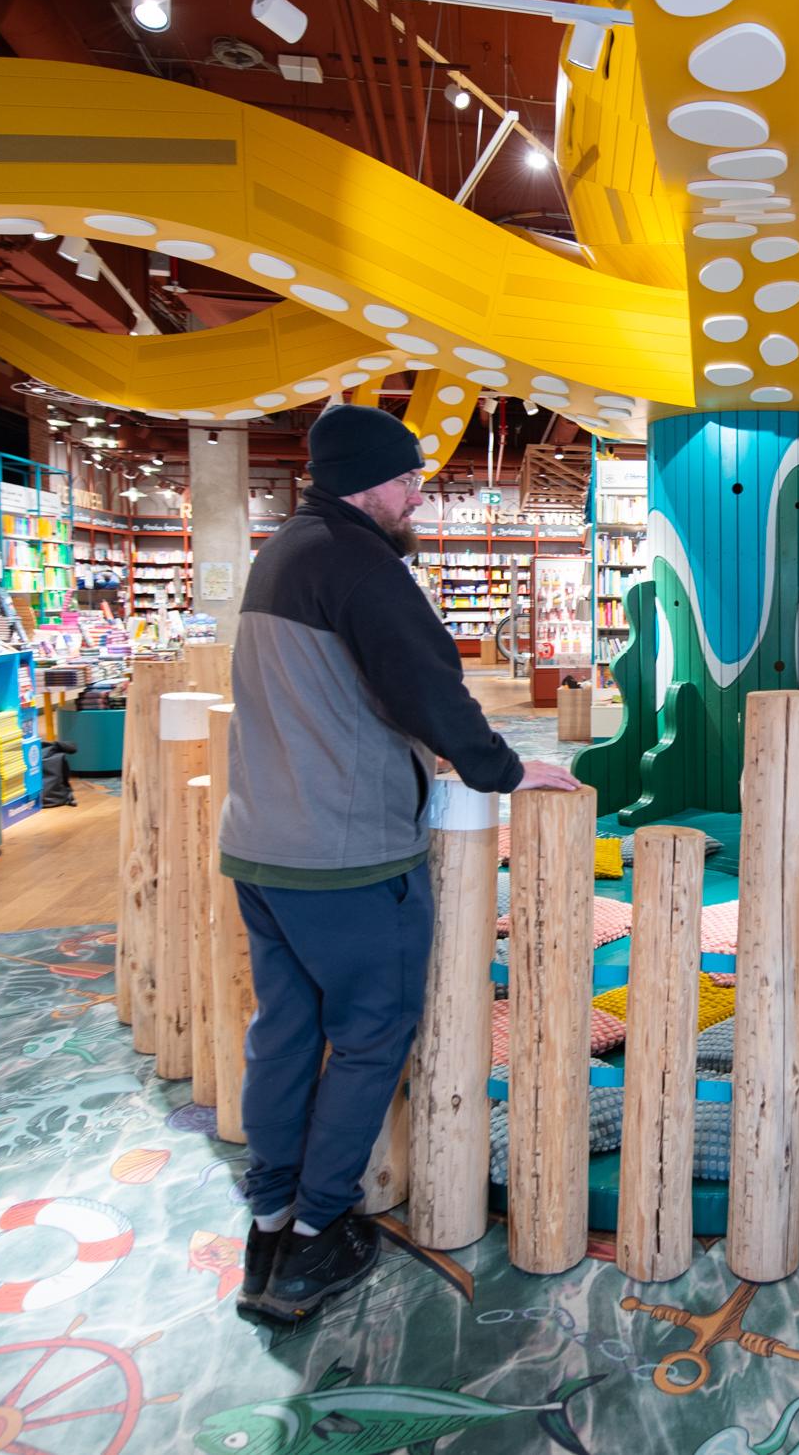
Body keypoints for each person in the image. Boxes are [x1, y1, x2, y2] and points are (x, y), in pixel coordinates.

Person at [217, 402, 581, 1323]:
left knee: (287, 1028)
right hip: (345, 852)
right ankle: (312, 1243)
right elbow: (428, 684)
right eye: (411, 478)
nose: (419, 493)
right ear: (370, 482)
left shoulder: (284, 551)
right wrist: (503, 769)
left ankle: (269, 1216)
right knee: (375, 1032)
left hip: (262, 844)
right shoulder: (358, 562)